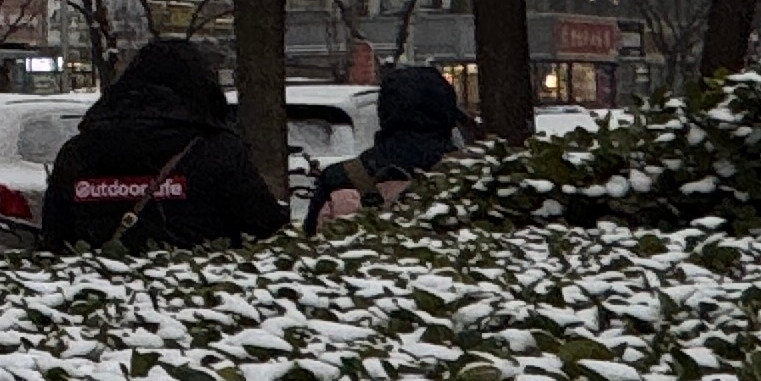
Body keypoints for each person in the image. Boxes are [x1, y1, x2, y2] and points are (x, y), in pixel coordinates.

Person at [41, 38, 286, 251]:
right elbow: (265, 230)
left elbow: (55, 236)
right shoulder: (218, 151)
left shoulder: (78, 152)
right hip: (201, 295)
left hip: (101, 294)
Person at [314, 66, 470, 224]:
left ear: (383, 111)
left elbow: (310, 241)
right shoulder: (473, 178)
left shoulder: (339, 177)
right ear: (447, 112)